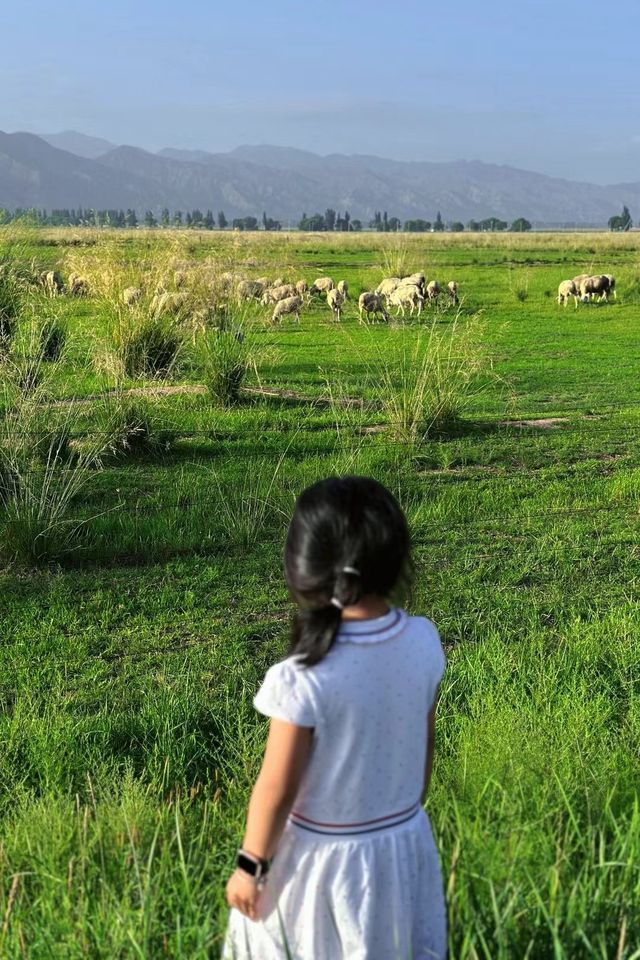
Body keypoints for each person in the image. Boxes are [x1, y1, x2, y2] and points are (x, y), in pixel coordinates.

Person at [222, 475, 447, 959]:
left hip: (319, 866)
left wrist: (250, 865)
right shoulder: (424, 642)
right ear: (396, 562)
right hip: (399, 847)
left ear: (303, 568)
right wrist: (395, 819)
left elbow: (276, 787)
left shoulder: (303, 676)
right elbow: (422, 754)